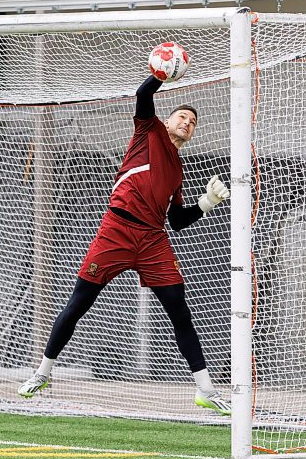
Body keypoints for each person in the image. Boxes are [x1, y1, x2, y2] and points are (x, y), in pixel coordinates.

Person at [18, 73, 231, 416]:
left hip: (152, 240)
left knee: (179, 309)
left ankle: (205, 390)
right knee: (79, 302)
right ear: (167, 120)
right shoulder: (149, 131)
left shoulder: (177, 170)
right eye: (182, 117)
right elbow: (144, 93)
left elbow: (175, 221)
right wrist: (161, 72)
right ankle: (42, 372)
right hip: (116, 230)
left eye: (192, 122)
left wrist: (205, 203)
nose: (187, 123)